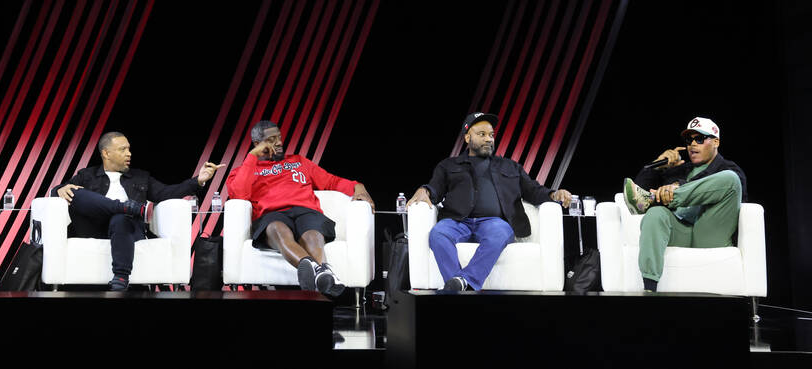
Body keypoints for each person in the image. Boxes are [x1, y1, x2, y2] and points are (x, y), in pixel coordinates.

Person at [410, 112, 572, 292]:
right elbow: (435, 188)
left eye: (491, 135)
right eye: (482, 134)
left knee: (500, 232)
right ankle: (461, 285)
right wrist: (424, 190)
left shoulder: (510, 166)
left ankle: (461, 283)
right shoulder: (448, 165)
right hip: (457, 221)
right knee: (438, 234)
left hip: (493, 223)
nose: (489, 139)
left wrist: (553, 194)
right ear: (467, 137)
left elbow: (533, 190)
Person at [52, 131, 223, 290]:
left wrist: (198, 181)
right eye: (122, 149)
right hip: (93, 227)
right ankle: (130, 207)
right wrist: (58, 190)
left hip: (126, 227)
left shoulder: (140, 176)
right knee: (74, 192)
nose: (129, 153)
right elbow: (59, 192)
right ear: (106, 153)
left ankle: (120, 277)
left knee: (120, 218)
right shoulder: (87, 175)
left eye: (129, 149)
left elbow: (166, 193)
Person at [224, 120, 374, 297]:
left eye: (279, 137)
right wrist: (252, 157)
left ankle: (314, 269)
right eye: (272, 140)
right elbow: (238, 193)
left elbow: (331, 181)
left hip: (305, 211)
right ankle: (321, 271)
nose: (279, 143)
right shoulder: (246, 169)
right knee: (277, 229)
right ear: (258, 145)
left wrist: (358, 187)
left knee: (312, 234)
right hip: (273, 215)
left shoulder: (299, 161)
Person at [622, 116, 746, 292]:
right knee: (655, 214)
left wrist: (677, 188)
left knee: (730, 180)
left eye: (700, 139)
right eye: (689, 140)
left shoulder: (728, 168)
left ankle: (660, 199)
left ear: (716, 142)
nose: (692, 144)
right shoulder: (680, 169)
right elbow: (637, 191)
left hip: (709, 231)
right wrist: (656, 165)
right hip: (681, 230)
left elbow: (736, 195)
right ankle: (649, 290)